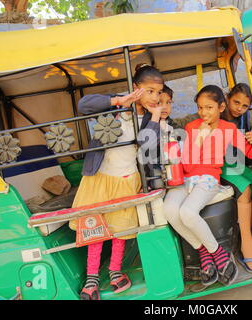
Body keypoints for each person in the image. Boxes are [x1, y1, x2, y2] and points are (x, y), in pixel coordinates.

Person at [69, 64, 165, 300]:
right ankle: (92, 276)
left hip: (127, 179)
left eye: (158, 92)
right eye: (149, 91)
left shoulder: (149, 118)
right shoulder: (117, 103)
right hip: (100, 177)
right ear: (136, 88)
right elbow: (83, 105)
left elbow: (148, 145)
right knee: (95, 226)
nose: (154, 97)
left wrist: (153, 118)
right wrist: (119, 101)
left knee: (122, 228)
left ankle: (114, 271)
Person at [163, 85, 252, 287]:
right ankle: (212, 253)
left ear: (220, 107)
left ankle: (215, 257)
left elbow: (251, 154)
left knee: (188, 213)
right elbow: (188, 165)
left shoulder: (229, 129)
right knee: (169, 210)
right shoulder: (192, 127)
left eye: (209, 107)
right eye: (200, 108)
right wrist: (199, 137)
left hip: (209, 178)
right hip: (185, 179)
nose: (203, 112)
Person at [220, 83, 252, 274]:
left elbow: (251, 153)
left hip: (237, 164)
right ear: (227, 98)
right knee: (246, 188)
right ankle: (247, 245)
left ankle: (242, 237)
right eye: (236, 102)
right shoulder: (219, 113)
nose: (239, 108)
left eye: (244, 106)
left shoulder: (245, 120)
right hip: (219, 163)